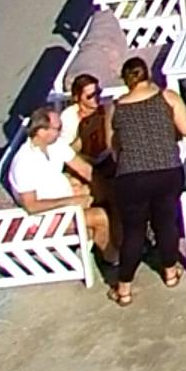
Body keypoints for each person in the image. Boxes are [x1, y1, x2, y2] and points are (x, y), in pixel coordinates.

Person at [100, 55, 186, 304]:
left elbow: (110, 145)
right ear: (148, 75)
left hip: (132, 177)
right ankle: (169, 273)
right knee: (165, 222)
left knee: (133, 231)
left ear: (126, 81)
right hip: (166, 170)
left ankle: (123, 288)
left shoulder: (115, 108)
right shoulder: (168, 98)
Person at [2, 108, 90, 235]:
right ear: (41, 132)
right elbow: (31, 206)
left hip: (66, 203)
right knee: (100, 217)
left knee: (102, 196)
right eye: (57, 129)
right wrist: (70, 201)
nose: (60, 132)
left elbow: (83, 168)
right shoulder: (24, 163)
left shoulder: (55, 145)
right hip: (45, 219)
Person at [65, 72, 116, 260]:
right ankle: (115, 249)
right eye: (90, 96)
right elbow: (67, 155)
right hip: (81, 167)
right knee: (112, 192)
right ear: (77, 98)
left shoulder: (103, 110)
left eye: (98, 92)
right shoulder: (69, 120)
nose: (96, 98)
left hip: (102, 161)